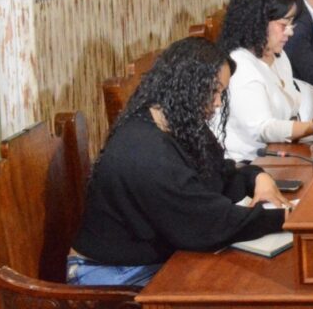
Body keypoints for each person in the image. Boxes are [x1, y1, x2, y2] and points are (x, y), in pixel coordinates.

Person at [68, 37, 289, 287]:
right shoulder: (147, 151)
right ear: (187, 85)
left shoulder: (178, 122)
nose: (218, 103)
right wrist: (286, 218)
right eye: (213, 91)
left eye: (221, 93)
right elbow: (206, 223)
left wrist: (257, 177)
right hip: (113, 273)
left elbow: (217, 178)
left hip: (152, 257)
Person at [219, 0, 313, 162]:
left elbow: (293, 99)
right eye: (284, 25)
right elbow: (264, 129)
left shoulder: (278, 55)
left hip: (281, 150)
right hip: (250, 163)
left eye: (291, 24)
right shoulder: (239, 66)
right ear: (258, 23)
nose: (290, 32)